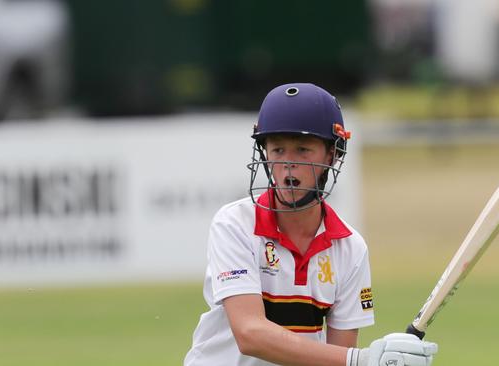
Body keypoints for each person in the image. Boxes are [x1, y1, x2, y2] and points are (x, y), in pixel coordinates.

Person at [184, 83, 438, 366]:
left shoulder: (350, 249)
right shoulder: (234, 224)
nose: (288, 163)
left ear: (332, 155)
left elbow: (338, 359)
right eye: (278, 149)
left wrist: (383, 362)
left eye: (303, 149)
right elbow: (250, 334)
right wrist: (362, 360)